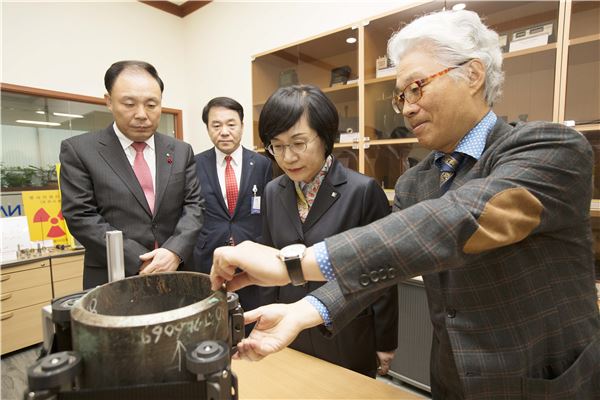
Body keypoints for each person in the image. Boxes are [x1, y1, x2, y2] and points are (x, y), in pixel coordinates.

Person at [210, 10, 600, 400]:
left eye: (417, 88)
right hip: (452, 378)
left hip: (542, 379)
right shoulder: (417, 180)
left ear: (474, 75)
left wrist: (290, 265)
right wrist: (302, 312)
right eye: (401, 96)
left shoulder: (551, 149)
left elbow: (460, 220)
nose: (407, 107)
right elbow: (378, 269)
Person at [258, 84, 398, 377]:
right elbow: (269, 265)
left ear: (325, 137)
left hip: (345, 330)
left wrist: (385, 341)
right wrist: (265, 323)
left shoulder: (362, 190)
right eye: (278, 146)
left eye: (298, 143)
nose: (288, 156)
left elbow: (383, 273)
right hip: (288, 327)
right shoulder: (273, 191)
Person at [60, 60, 204, 288]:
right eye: (129, 104)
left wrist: (174, 252)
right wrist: (142, 261)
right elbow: (81, 216)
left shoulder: (180, 150)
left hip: (178, 272)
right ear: (108, 101)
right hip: (114, 277)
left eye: (151, 105)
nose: (141, 114)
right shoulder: (80, 151)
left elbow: (194, 206)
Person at [192, 97, 272, 322]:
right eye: (216, 125)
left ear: (242, 126)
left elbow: (268, 211)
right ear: (208, 129)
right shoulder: (195, 164)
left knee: (250, 319)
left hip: (251, 254)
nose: (224, 131)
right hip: (209, 256)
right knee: (213, 320)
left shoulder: (263, 164)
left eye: (231, 124)